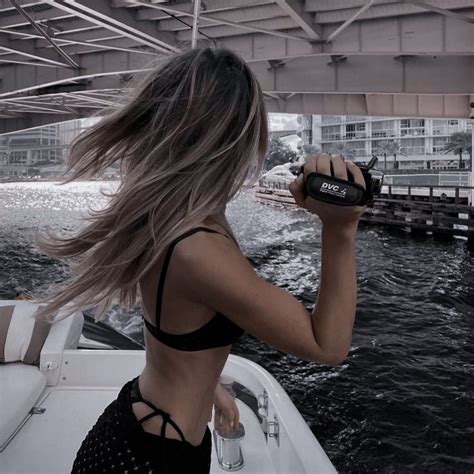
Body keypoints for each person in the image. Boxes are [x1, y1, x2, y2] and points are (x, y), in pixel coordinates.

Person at [35, 47, 366, 473]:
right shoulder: (199, 246)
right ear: (234, 141)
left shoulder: (169, 214)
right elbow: (328, 344)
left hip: (140, 424)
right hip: (152, 456)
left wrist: (210, 387)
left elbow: (176, 326)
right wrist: (338, 230)